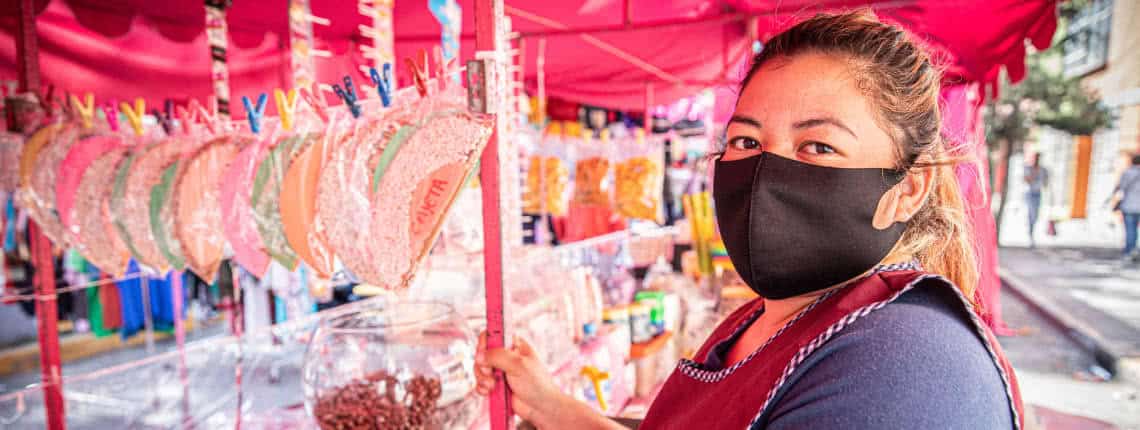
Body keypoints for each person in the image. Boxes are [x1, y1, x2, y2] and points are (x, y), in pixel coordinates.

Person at [475, 11, 1024, 430]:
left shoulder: (902, 371)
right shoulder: (769, 320)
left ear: (908, 188)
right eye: (746, 140)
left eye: (819, 146)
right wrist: (551, 406)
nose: (764, 171)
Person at [1113, 154, 1140, 260]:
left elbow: (1121, 187)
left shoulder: (1127, 173)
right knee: (1136, 229)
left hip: (1128, 205)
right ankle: (1134, 249)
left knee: (1130, 229)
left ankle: (1129, 250)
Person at [1024, 153, 1049, 248]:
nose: (1037, 160)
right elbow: (1026, 180)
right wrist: (1034, 173)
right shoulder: (1029, 168)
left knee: (1036, 216)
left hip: (1038, 194)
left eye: (1038, 158)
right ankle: (1030, 235)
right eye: (1035, 158)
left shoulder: (1043, 170)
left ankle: (1031, 232)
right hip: (1029, 194)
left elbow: (1046, 183)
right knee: (1032, 214)